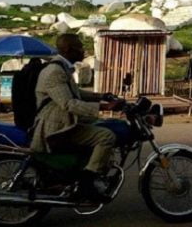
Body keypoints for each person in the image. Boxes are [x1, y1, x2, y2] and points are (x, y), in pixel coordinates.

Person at [30, 34, 123, 201]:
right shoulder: (54, 71)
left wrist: (103, 96)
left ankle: (85, 172)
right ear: (68, 50)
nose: (83, 51)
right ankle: (86, 184)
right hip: (55, 127)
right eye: (79, 47)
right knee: (106, 136)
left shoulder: (62, 68)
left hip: (60, 120)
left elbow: (77, 93)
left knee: (101, 125)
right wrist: (103, 107)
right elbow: (69, 103)